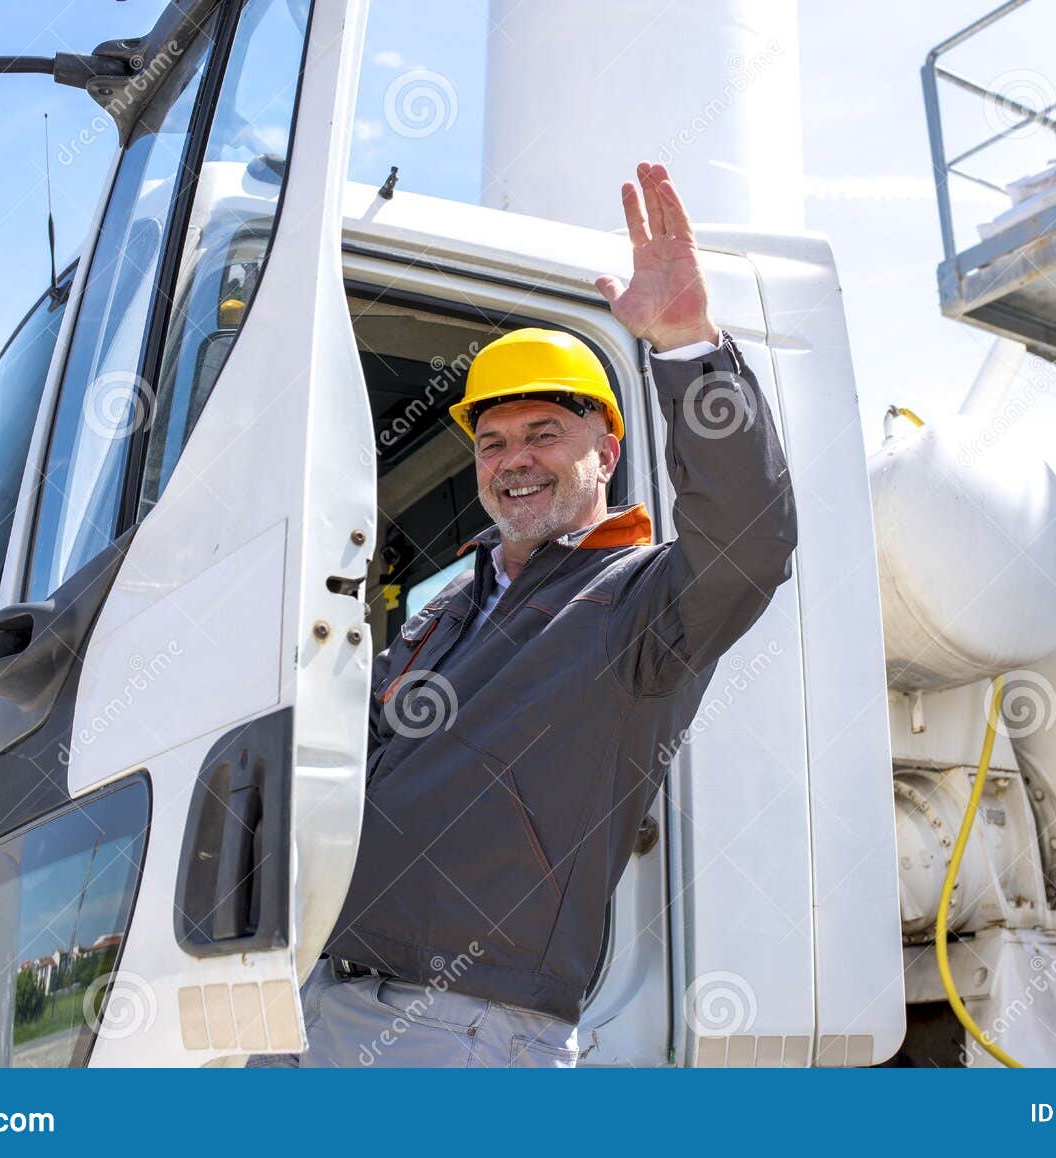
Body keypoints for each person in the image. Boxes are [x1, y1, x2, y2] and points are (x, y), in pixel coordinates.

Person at [297, 162, 796, 1068]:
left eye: (542, 436)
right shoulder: (451, 605)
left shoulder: (638, 601)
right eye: (492, 443)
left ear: (607, 451)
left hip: (467, 1029)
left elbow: (749, 541)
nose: (511, 461)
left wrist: (687, 345)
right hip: (327, 990)